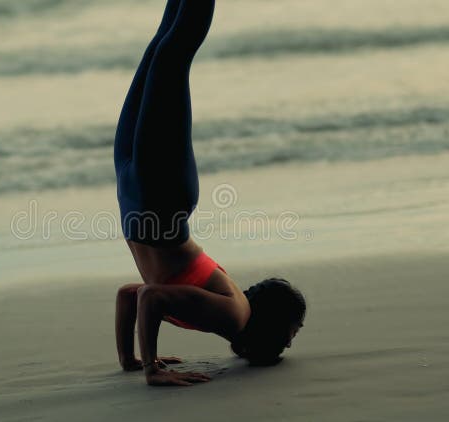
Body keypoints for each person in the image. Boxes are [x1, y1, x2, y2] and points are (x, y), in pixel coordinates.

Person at [113, 0, 306, 387]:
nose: (287, 343)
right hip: (156, 199)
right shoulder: (234, 316)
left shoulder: (223, 312)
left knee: (161, 49)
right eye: (293, 332)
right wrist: (152, 368)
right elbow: (148, 297)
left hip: (140, 196)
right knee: (172, 53)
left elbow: (133, 295)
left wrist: (134, 360)